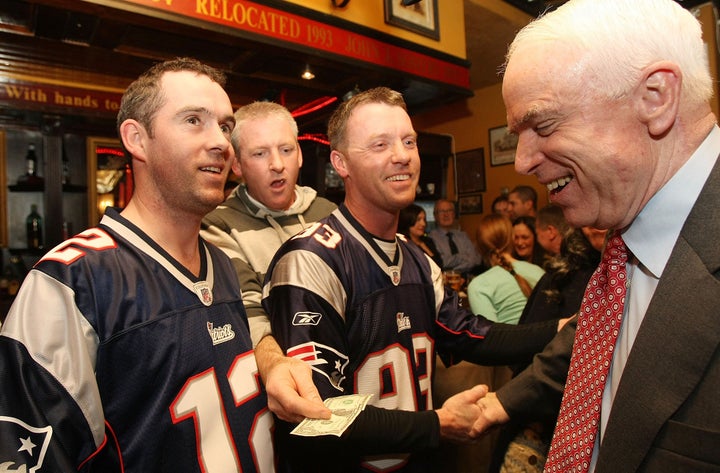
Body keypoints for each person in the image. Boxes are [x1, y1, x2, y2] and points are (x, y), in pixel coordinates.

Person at [262, 87, 564, 473]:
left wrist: (563, 328)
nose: (402, 155)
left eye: (408, 141)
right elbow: (319, 413)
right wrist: (438, 424)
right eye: (379, 144)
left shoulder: (419, 260)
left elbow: (474, 335)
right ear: (341, 163)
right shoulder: (312, 259)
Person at [474, 1, 720, 471]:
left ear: (655, 97)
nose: (522, 162)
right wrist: (496, 406)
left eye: (541, 124)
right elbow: (597, 340)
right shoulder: (623, 242)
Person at [0, 58, 275, 472]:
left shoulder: (223, 263)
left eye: (224, 125)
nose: (220, 141)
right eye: (193, 121)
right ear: (137, 139)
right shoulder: (73, 280)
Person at [201, 101, 336, 346]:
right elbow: (247, 313)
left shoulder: (331, 214)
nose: (277, 164)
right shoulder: (219, 224)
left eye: (286, 150)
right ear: (237, 165)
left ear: (300, 155)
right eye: (260, 153)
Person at [468, 213, 545, 324]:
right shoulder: (539, 272)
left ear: (479, 247)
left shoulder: (478, 286)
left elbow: (491, 337)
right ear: (512, 238)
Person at [429, 198, 484, 277]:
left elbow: (475, 260)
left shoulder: (463, 236)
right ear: (435, 216)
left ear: (454, 214)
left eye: (449, 211)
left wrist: (453, 269)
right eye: (442, 211)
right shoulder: (430, 239)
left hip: (467, 278)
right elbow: (442, 262)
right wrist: (463, 257)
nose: (446, 214)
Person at [398, 203, 443, 267]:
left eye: (424, 219)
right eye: (418, 220)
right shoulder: (403, 244)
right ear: (408, 220)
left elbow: (439, 264)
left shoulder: (428, 241)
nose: (423, 224)